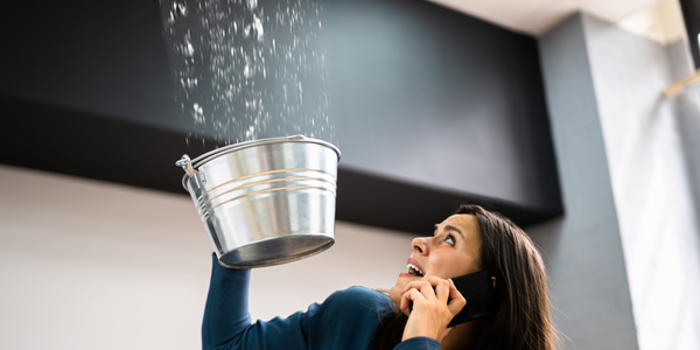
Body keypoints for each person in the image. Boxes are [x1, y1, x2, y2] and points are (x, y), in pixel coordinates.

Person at [202, 204, 559, 350]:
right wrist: (234, 243)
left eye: (448, 239)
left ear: (485, 291)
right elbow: (228, 346)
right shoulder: (356, 314)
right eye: (431, 232)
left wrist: (421, 337)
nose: (419, 242)